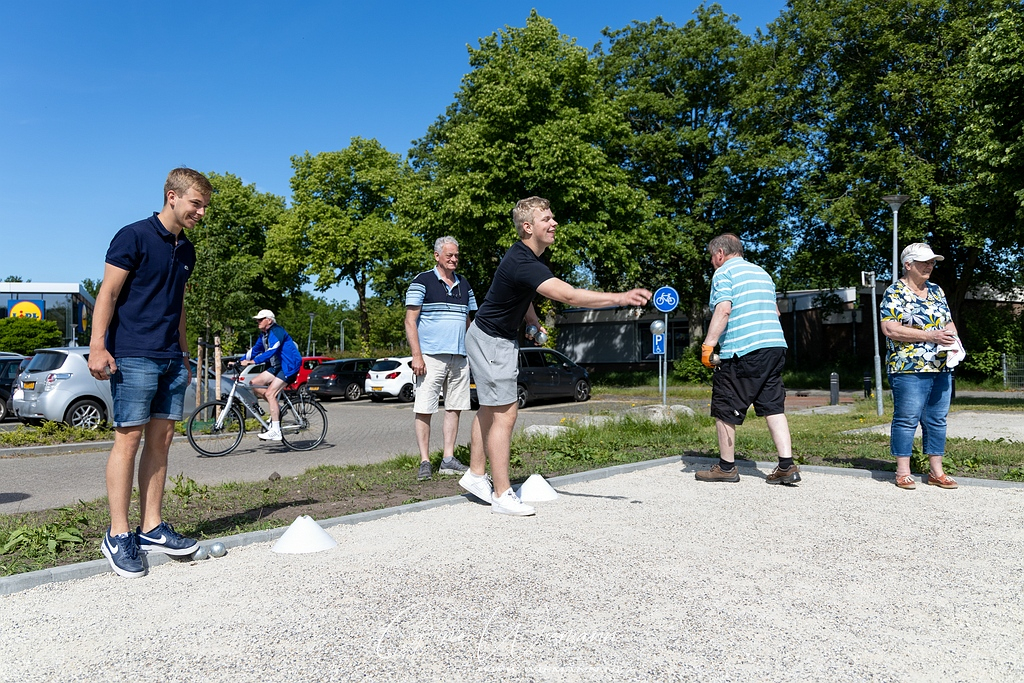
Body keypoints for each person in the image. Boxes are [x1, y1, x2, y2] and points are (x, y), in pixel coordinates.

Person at [460, 196, 651, 516]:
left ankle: (476, 475)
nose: (554, 223)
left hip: (489, 337)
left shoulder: (524, 258)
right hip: (493, 341)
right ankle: (502, 494)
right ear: (527, 226)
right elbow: (569, 295)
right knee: (505, 414)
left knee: (491, 411)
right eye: (546, 219)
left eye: (552, 217)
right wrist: (620, 297)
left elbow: (523, 293)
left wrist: (531, 320)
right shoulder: (524, 261)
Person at [88, 167, 212, 578]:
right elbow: (108, 292)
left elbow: (177, 305)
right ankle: (118, 534)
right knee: (130, 439)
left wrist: (183, 350)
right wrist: (98, 345)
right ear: (171, 196)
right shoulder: (134, 236)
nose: (200, 212)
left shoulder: (187, 250)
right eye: (196, 204)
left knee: (162, 440)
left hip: (169, 357)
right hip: (134, 353)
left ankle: (152, 528)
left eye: (204, 207)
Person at [695, 232, 800, 485]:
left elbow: (724, 309)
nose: (712, 261)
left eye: (712, 256)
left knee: (724, 406)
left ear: (720, 253)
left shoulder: (724, 273)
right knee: (773, 406)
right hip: (775, 346)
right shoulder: (762, 273)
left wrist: (708, 345)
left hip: (743, 349)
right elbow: (775, 312)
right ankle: (786, 465)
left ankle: (726, 467)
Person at [880, 243, 962, 490]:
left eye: (932, 262)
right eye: (925, 262)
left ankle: (936, 471)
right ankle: (903, 471)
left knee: (937, 418)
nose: (930, 266)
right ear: (908, 265)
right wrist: (930, 336)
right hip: (908, 367)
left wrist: (953, 341)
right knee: (907, 419)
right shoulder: (894, 292)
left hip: (940, 366)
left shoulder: (937, 290)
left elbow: (947, 323)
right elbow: (890, 328)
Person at [405, 236, 478, 481]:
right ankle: (425, 461)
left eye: (456, 255)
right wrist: (417, 355)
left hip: (459, 356)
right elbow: (410, 321)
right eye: (449, 255)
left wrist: (473, 351)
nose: (454, 259)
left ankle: (448, 458)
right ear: (437, 256)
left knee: (454, 407)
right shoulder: (422, 281)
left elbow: (469, 320)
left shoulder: (464, 284)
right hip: (430, 357)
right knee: (425, 407)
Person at [240, 309, 303, 442]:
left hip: (289, 366)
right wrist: (239, 361)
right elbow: (254, 350)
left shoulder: (277, 331)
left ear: (269, 320)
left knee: (270, 394)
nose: (258, 321)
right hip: (276, 366)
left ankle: (276, 431)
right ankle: (278, 409)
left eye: (260, 319)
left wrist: (253, 361)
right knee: (254, 384)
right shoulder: (264, 335)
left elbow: (272, 349)